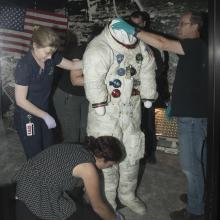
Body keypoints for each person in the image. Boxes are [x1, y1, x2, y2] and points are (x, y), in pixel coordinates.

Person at [112, 11, 208, 220]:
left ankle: (196, 210)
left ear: (195, 26)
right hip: (194, 113)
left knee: (191, 167)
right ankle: (200, 197)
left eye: (183, 24)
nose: (178, 27)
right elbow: (195, 82)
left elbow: (162, 43)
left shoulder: (194, 45)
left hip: (192, 119)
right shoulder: (199, 49)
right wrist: (175, 103)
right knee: (201, 162)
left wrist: (133, 30)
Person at [83, 18, 158, 215]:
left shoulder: (140, 46)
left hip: (131, 110)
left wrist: (149, 94)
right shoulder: (100, 47)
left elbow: (149, 68)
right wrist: (98, 101)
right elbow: (92, 76)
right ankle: (107, 202)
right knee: (105, 158)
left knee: (132, 154)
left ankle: (127, 195)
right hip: (105, 113)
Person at [14, 136, 125, 220]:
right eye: (111, 164)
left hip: (22, 180)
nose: (110, 167)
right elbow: (98, 207)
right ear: (103, 159)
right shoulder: (88, 169)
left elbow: (86, 195)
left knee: (78, 200)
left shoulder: (80, 148)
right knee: (68, 210)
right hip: (34, 196)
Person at [14, 26, 83, 159]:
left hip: (45, 110)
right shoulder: (24, 66)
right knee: (35, 155)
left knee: (49, 150)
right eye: (47, 53)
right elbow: (20, 100)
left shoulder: (52, 57)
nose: (50, 56)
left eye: (53, 52)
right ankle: (35, 178)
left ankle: (49, 177)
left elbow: (74, 65)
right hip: (28, 115)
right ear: (35, 45)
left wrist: (95, 59)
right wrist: (44, 115)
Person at [130, 11, 170, 164]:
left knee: (148, 123)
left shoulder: (153, 41)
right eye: (131, 24)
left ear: (144, 24)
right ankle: (135, 152)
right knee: (133, 122)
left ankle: (150, 153)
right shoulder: (128, 40)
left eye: (137, 24)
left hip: (148, 89)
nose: (133, 27)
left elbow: (160, 68)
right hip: (131, 89)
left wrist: (145, 81)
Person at [53, 30, 88, 144]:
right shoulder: (79, 50)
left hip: (85, 95)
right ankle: (71, 161)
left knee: (85, 132)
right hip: (68, 96)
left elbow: (73, 65)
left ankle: (83, 160)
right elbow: (75, 80)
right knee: (72, 136)